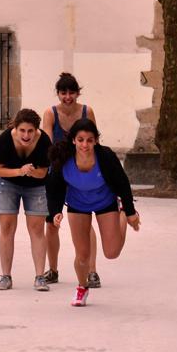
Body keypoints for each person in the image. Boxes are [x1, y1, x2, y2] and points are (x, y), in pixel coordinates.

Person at [47, 118, 141, 306]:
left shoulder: (105, 156)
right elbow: (53, 186)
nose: (85, 145)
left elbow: (122, 183)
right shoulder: (63, 158)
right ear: (73, 140)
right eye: (80, 140)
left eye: (90, 140)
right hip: (77, 205)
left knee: (112, 252)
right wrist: (55, 211)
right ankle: (82, 288)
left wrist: (130, 212)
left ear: (96, 140)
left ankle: (122, 213)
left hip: (105, 202)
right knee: (82, 256)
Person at [42, 72, 101, 287]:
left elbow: (94, 142)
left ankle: (92, 271)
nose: (67, 97)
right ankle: (53, 269)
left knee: (86, 222)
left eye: (71, 92)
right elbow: (47, 145)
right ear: (58, 94)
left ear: (77, 93)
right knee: (52, 221)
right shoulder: (50, 113)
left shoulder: (87, 111)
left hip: (82, 171)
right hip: (58, 171)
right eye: (63, 93)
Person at [0, 108, 52, 290]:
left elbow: (43, 173)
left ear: (36, 130)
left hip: (36, 185)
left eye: (30, 131)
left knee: (37, 229)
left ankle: (40, 276)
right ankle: (5, 276)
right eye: (22, 130)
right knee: (7, 227)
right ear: (15, 128)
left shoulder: (44, 141)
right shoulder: (4, 139)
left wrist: (31, 172)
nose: (26, 135)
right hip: (7, 183)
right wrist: (19, 171)